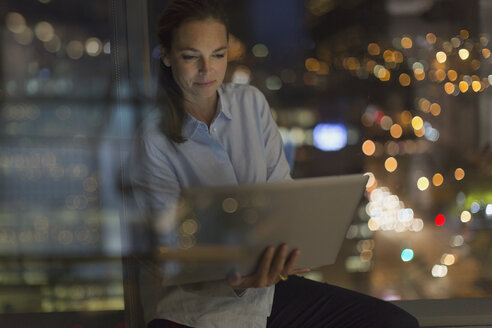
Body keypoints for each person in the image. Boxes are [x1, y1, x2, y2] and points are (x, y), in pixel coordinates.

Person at [129, 0, 420, 327]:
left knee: (396, 324)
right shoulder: (151, 140)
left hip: (268, 293)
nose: (207, 70)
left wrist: (289, 245)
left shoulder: (250, 104)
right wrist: (232, 275)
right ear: (166, 56)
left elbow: (282, 194)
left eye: (218, 55)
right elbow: (170, 253)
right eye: (190, 56)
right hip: (200, 311)